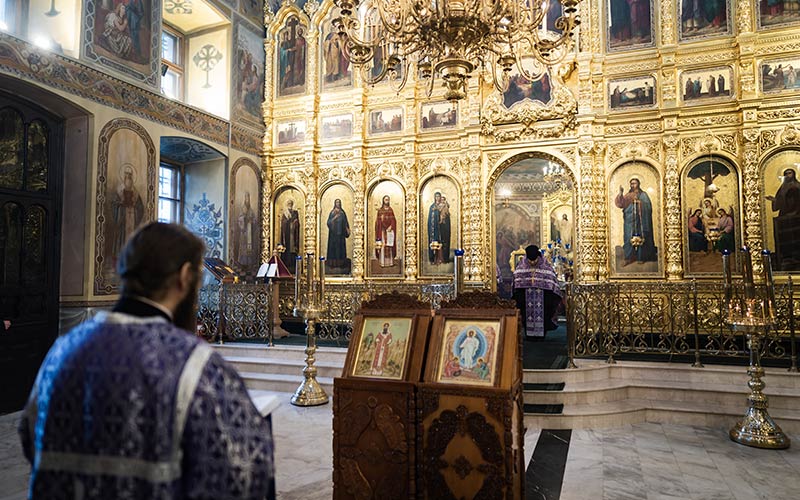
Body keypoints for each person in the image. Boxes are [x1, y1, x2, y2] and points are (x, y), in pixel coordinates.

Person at [18, 223, 275, 499]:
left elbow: (30, 437)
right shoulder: (195, 365)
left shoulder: (62, 352)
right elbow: (245, 474)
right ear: (185, 277)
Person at [512, 245, 563, 339]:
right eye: (530, 261)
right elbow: (516, 282)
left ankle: (542, 334)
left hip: (543, 297)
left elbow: (552, 281)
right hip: (525, 297)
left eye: (534, 260)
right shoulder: (521, 266)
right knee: (525, 312)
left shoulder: (546, 266)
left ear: (538, 257)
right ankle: (528, 334)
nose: (532, 263)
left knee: (545, 311)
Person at [614, 178, 657, 266]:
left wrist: (639, 203)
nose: (633, 185)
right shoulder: (628, 195)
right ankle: (628, 258)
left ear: (638, 184)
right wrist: (621, 193)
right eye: (631, 184)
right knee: (628, 237)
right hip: (629, 220)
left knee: (641, 236)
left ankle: (641, 257)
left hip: (640, 220)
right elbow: (620, 204)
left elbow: (648, 206)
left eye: (634, 183)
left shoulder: (643, 194)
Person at [110, 163, 145, 270]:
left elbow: (141, 207)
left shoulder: (136, 193)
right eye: (126, 177)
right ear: (124, 179)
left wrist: (134, 207)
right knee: (121, 241)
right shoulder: (119, 191)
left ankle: (131, 264)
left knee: (132, 240)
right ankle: (118, 265)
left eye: (130, 177)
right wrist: (121, 205)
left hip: (132, 218)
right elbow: (114, 204)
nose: (128, 179)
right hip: (123, 220)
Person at [766, 168, 800, 270]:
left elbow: (797, 202)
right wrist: (774, 200)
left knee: (795, 236)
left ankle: (796, 258)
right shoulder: (783, 188)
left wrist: (794, 212)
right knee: (785, 236)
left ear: (794, 174)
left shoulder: (797, 186)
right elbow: (780, 203)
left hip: (796, 216)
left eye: (789, 173)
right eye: (786, 174)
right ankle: (786, 258)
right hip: (784, 216)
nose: (788, 175)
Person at [234, 191, 259, 270]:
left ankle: (249, 263)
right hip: (244, 232)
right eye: (246, 197)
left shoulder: (251, 210)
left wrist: (252, 221)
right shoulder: (242, 209)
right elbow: (239, 219)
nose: (247, 199)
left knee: (249, 248)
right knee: (243, 247)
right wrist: (244, 218)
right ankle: (242, 263)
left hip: (250, 232)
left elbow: (255, 220)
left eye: (248, 197)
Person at [326, 198, 350, 272]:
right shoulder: (332, 213)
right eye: (337, 202)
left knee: (340, 249)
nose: (338, 204)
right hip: (333, 235)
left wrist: (347, 229)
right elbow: (328, 223)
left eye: (339, 202)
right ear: (335, 204)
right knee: (333, 249)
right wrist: (334, 218)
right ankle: (332, 264)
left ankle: (341, 264)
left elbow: (346, 222)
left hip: (341, 235)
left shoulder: (342, 213)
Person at [375, 195, 397, 267]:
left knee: (389, 246)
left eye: (388, 199)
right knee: (383, 245)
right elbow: (377, 222)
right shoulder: (380, 211)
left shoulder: (391, 210)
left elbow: (393, 220)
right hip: (382, 231)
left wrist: (391, 226)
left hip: (389, 231)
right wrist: (380, 221)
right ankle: (383, 263)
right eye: (385, 199)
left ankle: (390, 262)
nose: (386, 201)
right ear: (383, 200)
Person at [279, 199, 301, 269]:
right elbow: (283, 223)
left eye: (291, 203)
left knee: (293, 248)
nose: (290, 204)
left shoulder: (295, 212)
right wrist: (287, 222)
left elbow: (297, 222)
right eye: (288, 203)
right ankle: (286, 263)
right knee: (287, 247)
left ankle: (292, 263)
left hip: (293, 233)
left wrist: (295, 223)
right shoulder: (285, 213)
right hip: (287, 233)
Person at [427, 192, 442, 263]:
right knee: (432, 242)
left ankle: (439, 259)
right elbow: (430, 218)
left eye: (439, 196)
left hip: (440, 229)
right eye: (436, 197)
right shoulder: (432, 206)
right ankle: (432, 258)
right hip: (433, 229)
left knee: (439, 242)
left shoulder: (443, 206)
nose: (437, 198)